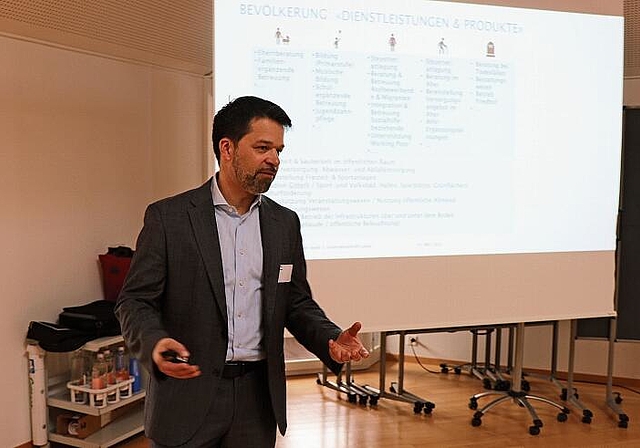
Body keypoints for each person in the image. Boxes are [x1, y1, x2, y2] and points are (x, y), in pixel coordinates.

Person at [115, 95, 369, 448]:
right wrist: (155, 344)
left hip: (256, 399)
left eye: (279, 150)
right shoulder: (169, 218)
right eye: (263, 147)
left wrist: (328, 337)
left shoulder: (284, 223)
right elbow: (135, 301)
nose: (274, 160)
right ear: (227, 148)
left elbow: (295, 302)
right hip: (187, 394)